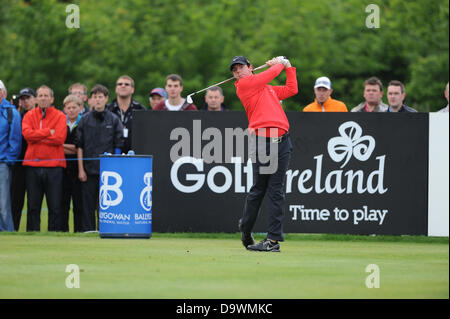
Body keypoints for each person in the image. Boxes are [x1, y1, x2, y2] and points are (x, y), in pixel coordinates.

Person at [230, 55, 298, 252]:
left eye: (240, 67)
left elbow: (292, 89)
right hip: (262, 143)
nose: (237, 72)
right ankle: (246, 229)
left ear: (250, 67)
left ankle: (273, 241)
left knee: (276, 191)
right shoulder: (244, 86)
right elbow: (267, 75)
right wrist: (279, 64)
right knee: (259, 189)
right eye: (234, 70)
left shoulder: (266, 89)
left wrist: (289, 66)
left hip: (283, 142)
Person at [76, 84, 124, 232]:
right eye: (95, 97)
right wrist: (81, 170)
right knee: (88, 204)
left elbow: (118, 143)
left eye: (100, 97)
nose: (98, 100)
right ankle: (89, 230)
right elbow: (80, 146)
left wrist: (115, 168)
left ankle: (107, 230)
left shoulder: (114, 120)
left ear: (106, 99)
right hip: (88, 170)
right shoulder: (84, 120)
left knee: (107, 204)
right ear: (90, 100)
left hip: (108, 172)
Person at [22, 85, 67, 232]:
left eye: (45, 95)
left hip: (54, 166)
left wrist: (37, 136)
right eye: (40, 95)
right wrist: (48, 132)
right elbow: (27, 135)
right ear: (36, 99)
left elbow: (59, 139)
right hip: (32, 166)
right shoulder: (29, 115)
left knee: (55, 205)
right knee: (33, 206)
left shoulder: (60, 116)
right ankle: (32, 234)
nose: (42, 98)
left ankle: (53, 234)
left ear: (52, 99)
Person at [10, 88, 36, 230]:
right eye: (23, 99)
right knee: (16, 200)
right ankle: (13, 229)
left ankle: (32, 231)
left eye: (28, 98)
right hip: (18, 164)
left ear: (34, 99)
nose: (25, 101)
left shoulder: (38, 116)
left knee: (33, 201)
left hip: (33, 163)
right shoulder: (16, 116)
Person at [0, 83, 22, 232]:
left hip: (2, 163)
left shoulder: (11, 112)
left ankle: (7, 232)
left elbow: (15, 141)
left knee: (3, 204)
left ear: (3, 93)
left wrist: (8, 160)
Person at [61, 94, 83, 232]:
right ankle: (62, 231)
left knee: (78, 203)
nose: (71, 110)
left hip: (78, 167)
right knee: (62, 202)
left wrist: (60, 146)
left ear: (80, 108)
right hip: (62, 168)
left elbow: (78, 148)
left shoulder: (83, 123)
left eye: (74, 107)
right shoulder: (60, 123)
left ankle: (79, 231)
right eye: (68, 107)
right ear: (64, 109)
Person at [107, 75, 146, 154]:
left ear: (132, 89)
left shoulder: (140, 109)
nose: (123, 86)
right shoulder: (108, 109)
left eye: (127, 84)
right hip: (111, 154)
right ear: (116, 89)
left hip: (135, 155)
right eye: (120, 84)